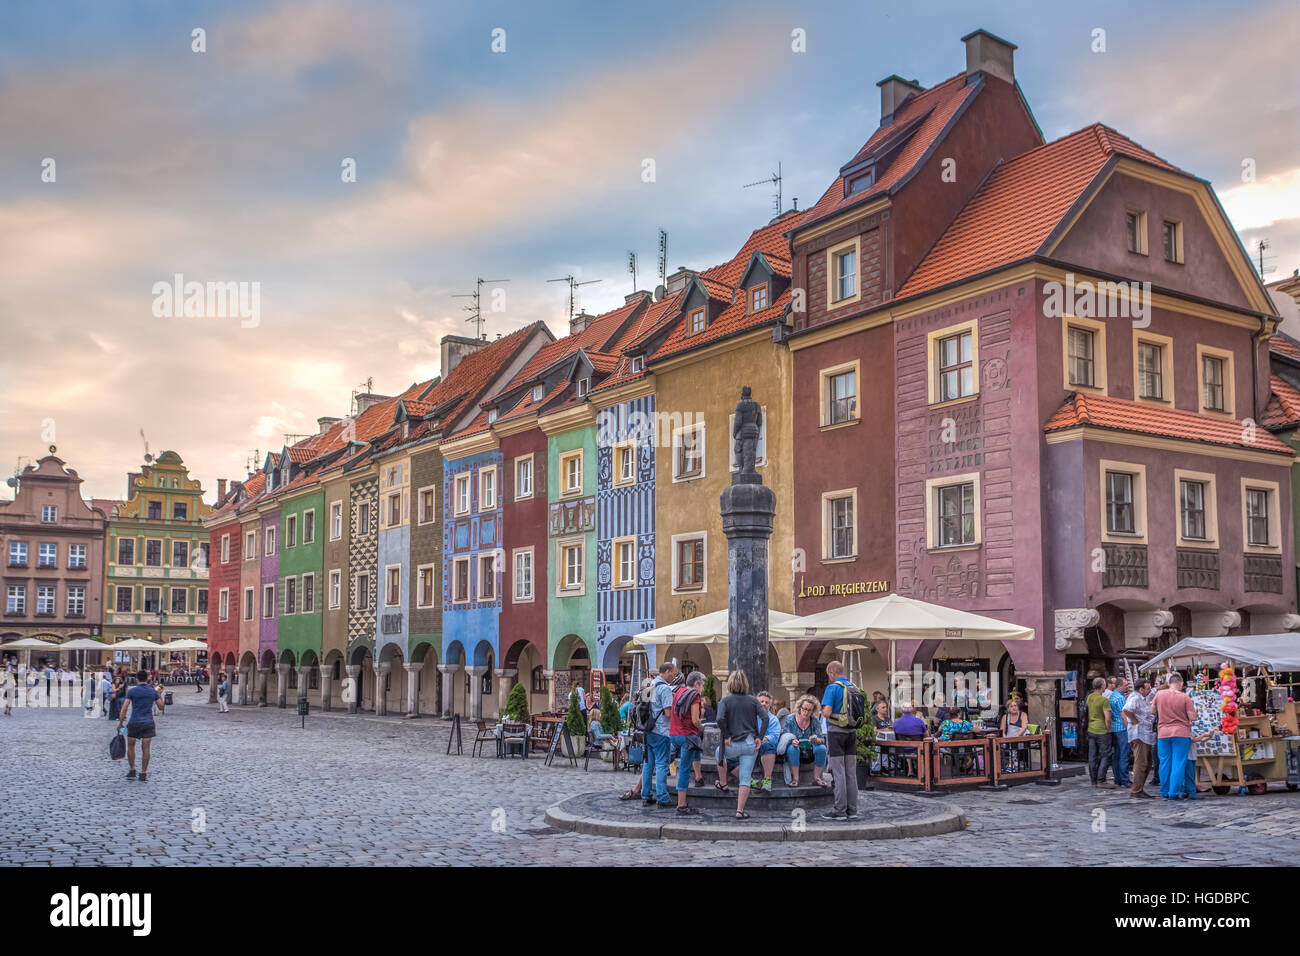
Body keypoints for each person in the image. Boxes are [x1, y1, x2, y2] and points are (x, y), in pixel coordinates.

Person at [715, 669, 763, 819]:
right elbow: (765, 718)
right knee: (745, 777)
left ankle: (723, 782)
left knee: (718, 753)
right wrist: (760, 737)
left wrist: (727, 734)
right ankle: (740, 810)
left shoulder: (725, 701)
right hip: (749, 743)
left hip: (731, 744)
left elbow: (719, 719)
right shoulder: (753, 701)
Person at [820, 660, 861, 821]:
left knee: (838, 773)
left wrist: (823, 711)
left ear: (831, 672)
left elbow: (827, 712)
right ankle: (853, 809)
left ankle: (840, 811)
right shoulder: (853, 687)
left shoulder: (833, 688)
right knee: (851, 773)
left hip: (836, 732)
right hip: (851, 731)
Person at [1151, 671, 1196, 800]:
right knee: (1178, 763)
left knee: (1164, 762)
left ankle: (1164, 790)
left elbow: (1152, 711)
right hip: (1181, 733)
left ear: (1169, 683)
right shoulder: (1185, 697)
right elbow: (1192, 717)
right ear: (1181, 683)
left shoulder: (1159, 695)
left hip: (1163, 733)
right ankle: (1173, 792)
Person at [639, 661, 677, 808]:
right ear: (667, 671)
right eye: (673, 673)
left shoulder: (649, 685)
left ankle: (646, 795)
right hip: (661, 731)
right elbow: (668, 713)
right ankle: (662, 797)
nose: (674, 677)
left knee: (648, 764)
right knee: (662, 765)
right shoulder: (665, 689)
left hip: (648, 730)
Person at [668, 671, 706, 815]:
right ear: (696, 684)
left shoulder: (679, 692)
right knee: (684, 769)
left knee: (696, 750)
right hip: (687, 736)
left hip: (674, 734)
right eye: (702, 685)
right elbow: (696, 720)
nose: (702, 688)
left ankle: (698, 777)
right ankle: (681, 805)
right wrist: (703, 727)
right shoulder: (694, 695)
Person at [118, 668, 164, 782]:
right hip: (148, 722)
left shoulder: (132, 691)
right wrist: (159, 694)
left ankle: (132, 769)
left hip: (134, 722)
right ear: (148, 679)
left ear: (136, 679)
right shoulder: (152, 691)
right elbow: (161, 707)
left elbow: (124, 709)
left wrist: (120, 724)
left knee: (131, 746)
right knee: (146, 748)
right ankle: (143, 772)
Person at [781, 695, 828, 788]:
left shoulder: (814, 721)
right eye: (804, 709)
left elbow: (821, 739)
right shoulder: (790, 719)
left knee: (822, 748)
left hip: (810, 749)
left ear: (813, 711)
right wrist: (792, 741)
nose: (806, 712)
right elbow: (785, 736)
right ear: (799, 707)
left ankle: (817, 778)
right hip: (794, 748)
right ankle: (795, 779)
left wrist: (816, 739)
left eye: (809, 710)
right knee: (792, 748)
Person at [1122, 678, 1155, 798]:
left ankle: (1139, 788)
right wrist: (1134, 720)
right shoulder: (1135, 697)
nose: (1149, 691)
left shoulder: (1143, 696)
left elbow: (1155, 690)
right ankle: (1136, 790)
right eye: (1147, 689)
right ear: (1141, 689)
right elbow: (1126, 710)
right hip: (1139, 733)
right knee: (1141, 762)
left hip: (1145, 733)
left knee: (1147, 762)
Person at [1085, 677, 1115, 789]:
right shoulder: (1104, 700)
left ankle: (1093, 781)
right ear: (1102, 686)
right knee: (1105, 755)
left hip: (1091, 728)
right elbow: (1107, 717)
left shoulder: (1090, 697)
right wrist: (1108, 728)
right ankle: (1101, 779)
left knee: (1092, 756)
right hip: (1102, 730)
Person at [751, 691, 782, 792]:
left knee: (769, 744)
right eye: (761, 701)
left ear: (770, 705)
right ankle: (751, 781)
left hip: (764, 745)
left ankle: (767, 781)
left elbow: (773, 736)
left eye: (766, 702)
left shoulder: (773, 720)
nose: (764, 704)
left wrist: (760, 740)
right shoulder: (750, 717)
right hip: (749, 744)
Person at [1109, 676, 1131, 788]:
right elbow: (1124, 715)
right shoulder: (1121, 698)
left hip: (1114, 728)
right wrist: (1129, 728)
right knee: (1124, 754)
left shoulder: (1112, 696)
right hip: (1122, 728)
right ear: (1119, 686)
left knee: (1116, 754)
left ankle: (1117, 778)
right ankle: (1124, 779)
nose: (1127, 686)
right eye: (1125, 685)